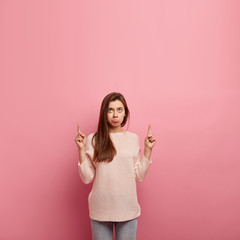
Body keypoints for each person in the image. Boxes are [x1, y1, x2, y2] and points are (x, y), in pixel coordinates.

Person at [75, 92, 156, 240]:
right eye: (110, 110)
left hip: (127, 208)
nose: (115, 115)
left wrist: (148, 150)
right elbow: (87, 178)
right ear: (104, 113)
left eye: (119, 109)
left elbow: (139, 176)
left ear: (125, 113)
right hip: (100, 209)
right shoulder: (93, 139)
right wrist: (81, 149)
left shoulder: (133, 139)